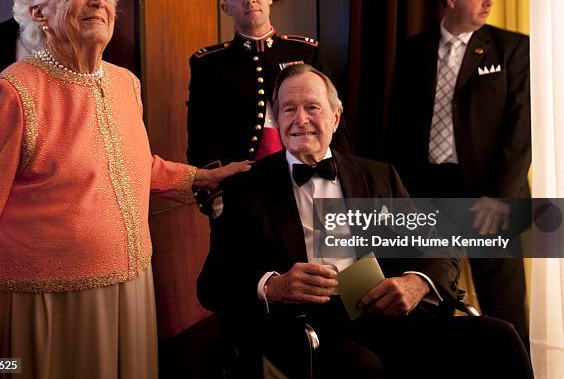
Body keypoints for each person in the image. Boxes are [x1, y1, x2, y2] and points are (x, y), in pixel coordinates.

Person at [0, 0, 249, 379]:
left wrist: (202, 178)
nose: (98, 0)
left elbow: (132, 165)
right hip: (46, 308)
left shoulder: (126, 82)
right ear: (38, 12)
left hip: (130, 294)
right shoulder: (10, 93)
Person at [197, 64, 532, 378]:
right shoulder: (247, 187)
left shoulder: (378, 175)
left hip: (385, 313)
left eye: (312, 107)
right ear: (277, 118)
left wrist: (416, 282)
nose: (300, 119)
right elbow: (213, 284)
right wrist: (273, 285)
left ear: (336, 116)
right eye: (288, 109)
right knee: (361, 367)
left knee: (499, 337)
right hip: (303, 327)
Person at [386, 0, 530, 349]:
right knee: (430, 300)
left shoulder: (513, 48)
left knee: (505, 309)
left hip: (489, 195)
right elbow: (398, 128)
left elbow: (520, 133)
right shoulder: (414, 50)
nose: (488, 1)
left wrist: (499, 198)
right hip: (426, 194)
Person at [186, 0, 353, 171]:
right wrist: (215, 194)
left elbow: (334, 117)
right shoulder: (208, 63)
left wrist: (342, 174)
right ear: (226, 8)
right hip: (242, 181)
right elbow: (201, 136)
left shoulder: (307, 51)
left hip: (309, 169)